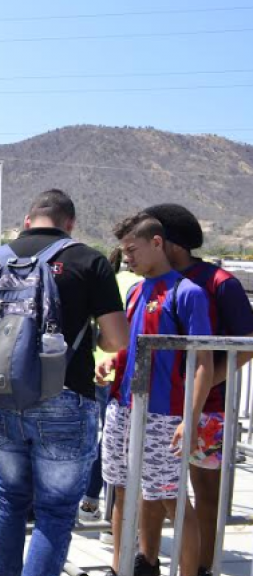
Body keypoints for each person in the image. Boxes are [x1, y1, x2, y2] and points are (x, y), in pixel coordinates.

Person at [0, 189, 128, 576]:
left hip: (2, 399)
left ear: (27, 220)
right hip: (65, 397)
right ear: (70, 223)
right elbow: (117, 338)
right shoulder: (88, 260)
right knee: (55, 512)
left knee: (8, 502)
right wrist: (91, 339)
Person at [97, 212, 214, 576]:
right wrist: (113, 361)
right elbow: (136, 344)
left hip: (163, 414)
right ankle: (121, 568)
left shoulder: (188, 293)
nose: (127, 258)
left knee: (171, 500)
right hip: (122, 407)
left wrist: (189, 420)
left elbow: (202, 364)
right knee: (118, 489)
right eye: (124, 251)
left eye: (132, 250)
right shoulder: (134, 290)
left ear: (157, 243)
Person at [139, 204, 253, 576]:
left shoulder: (220, 283)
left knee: (204, 489)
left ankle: (203, 565)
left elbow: (246, 345)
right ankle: (148, 560)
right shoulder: (152, 281)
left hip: (210, 407)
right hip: (158, 405)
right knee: (155, 488)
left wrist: (202, 387)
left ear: (169, 242)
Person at [80, 248, 142, 534]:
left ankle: (90, 501)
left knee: (99, 440)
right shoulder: (140, 283)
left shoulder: (109, 280)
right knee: (119, 446)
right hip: (124, 371)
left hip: (97, 367)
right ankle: (112, 516)